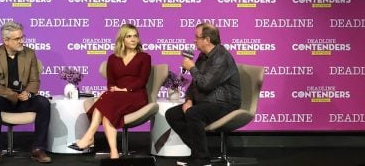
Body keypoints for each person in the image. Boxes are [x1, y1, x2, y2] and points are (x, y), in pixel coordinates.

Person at [68, 23, 151, 159]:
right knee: (107, 113)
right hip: (117, 95)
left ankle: (89, 136)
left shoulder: (145, 57)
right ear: (122, 39)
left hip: (136, 95)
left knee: (105, 99)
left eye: (135, 36)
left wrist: (124, 89)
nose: (133, 39)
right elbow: (111, 82)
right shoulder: (112, 58)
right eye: (129, 36)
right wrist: (114, 90)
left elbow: (142, 81)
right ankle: (114, 153)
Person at [163, 23, 240, 166]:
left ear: (207, 40)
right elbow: (195, 83)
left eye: (197, 37)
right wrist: (189, 99)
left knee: (193, 113)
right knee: (172, 114)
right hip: (206, 101)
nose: (194, 41)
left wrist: (192, 68)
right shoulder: (203, 56)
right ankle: (198, 153)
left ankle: (203, 159)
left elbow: (206, 84)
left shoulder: (222, 57)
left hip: (225, 103)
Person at [0, 21, 52, 165]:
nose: (21, 41)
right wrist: (14, 95)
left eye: (22, 37)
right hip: (3, 98)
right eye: (17, 39)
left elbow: (34, 80)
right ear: (5, 41)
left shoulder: (29, 54)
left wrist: (28, 93)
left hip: (24, 99)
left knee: (43, 102)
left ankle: (38, 148)